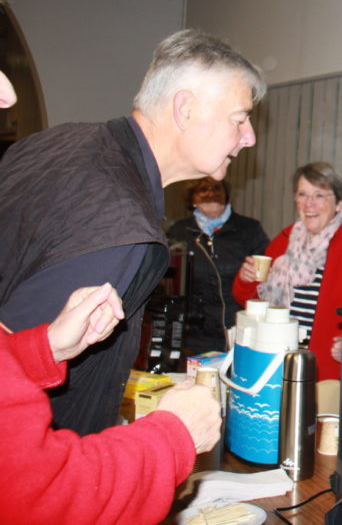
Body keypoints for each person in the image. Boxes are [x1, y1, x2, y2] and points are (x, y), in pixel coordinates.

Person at [0, 29, 265, 435]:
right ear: (185, 109)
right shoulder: (120, 227)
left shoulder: (58, 142)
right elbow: (14, 404)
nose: (249, 138)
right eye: (240, 118)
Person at [0, 69, 221, 525]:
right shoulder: (122, 224)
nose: (7, 94)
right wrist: (175, 433)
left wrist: (43, 348)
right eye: (239, 118)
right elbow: (42, 495)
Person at [234, 161, 342, 382]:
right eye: (303, 194)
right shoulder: (282, 243)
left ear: (340, 202)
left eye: (320, 196)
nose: (309, 204)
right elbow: (251, 303)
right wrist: (245, 280)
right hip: (274, 365)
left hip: (326, 372)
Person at [167, 176, 269, 354]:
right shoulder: (178, 232)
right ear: (192, 199)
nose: (211, 194)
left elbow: (267, 280)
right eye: (203, 190)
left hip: (239, 331)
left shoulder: (249, 229)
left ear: (226, 194)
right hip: (192, 336)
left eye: (217, 188)